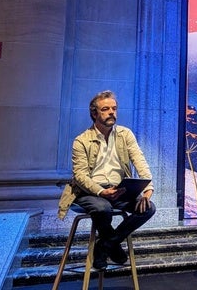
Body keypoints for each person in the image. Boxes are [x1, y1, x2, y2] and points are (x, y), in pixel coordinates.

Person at [57, 90, 156, 269]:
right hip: (90, 192)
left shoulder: (125, 134)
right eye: (106, 109)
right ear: (94, 113)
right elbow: (79, 175)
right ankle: (112, 246)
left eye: (114, 108)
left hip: (118, 189)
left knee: (148, 208)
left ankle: (105, 245)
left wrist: (148, 189)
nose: (112, 112)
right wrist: (102, 191)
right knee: (103, 208)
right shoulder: (81, 140)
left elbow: (140, 160)